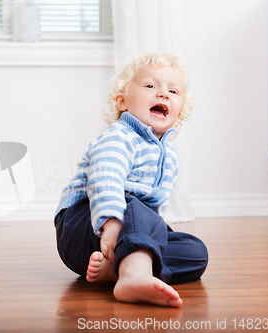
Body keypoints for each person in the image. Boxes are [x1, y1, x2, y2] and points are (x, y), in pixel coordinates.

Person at [54, 52, 208, 308]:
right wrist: (112, 225)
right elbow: (106, 179)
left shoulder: (169, 155)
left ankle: (116, 269)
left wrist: (152, 235)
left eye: (173, 91)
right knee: (135, 205)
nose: (163, 94)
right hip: (85, 227)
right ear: (122, 101)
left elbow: (154, 212)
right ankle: (134, 275)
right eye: (150, 86)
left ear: (179, 111)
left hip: (114, 244)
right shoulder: (119, 137)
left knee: (195, 252)